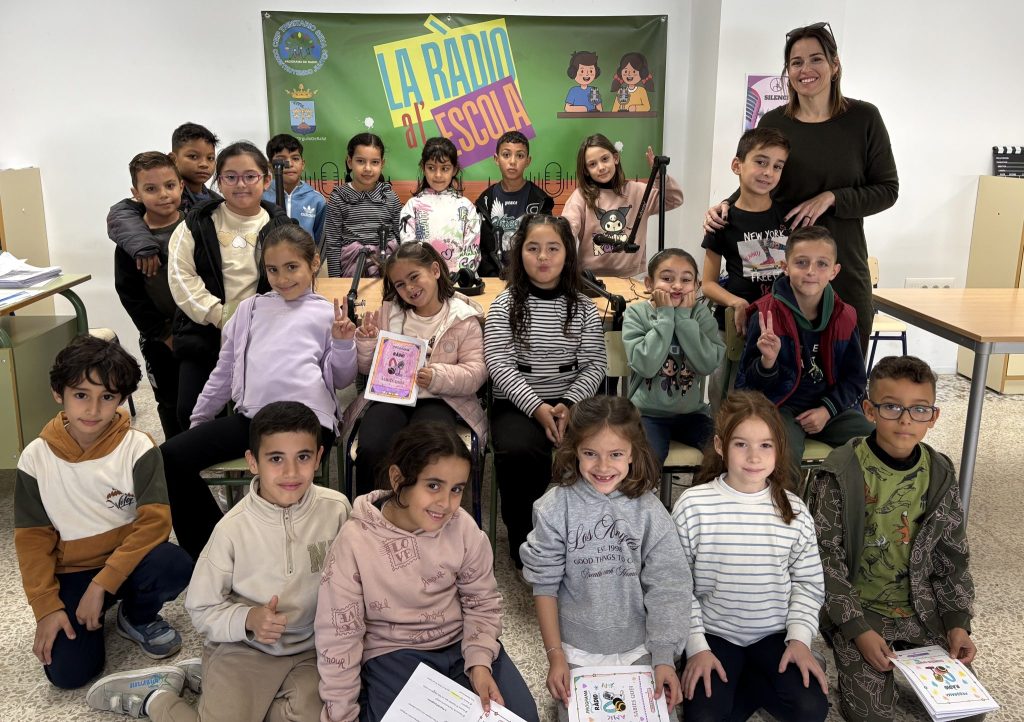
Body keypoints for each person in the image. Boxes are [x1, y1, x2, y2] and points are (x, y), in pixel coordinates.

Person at [86, 401, 353, 721]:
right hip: (244, 648)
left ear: (319, 457)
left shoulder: (338, 509)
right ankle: (156, 698)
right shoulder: (230, 531)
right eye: (276, 458)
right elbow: (201, 608)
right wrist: (248, 619)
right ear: (253, 462)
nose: (291, 472)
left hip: (309, 651)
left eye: (303, 457)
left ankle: (214, 681)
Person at [316, 423, 540, 722]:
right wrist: (342, 714)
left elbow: (482, 603)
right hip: (393, 652)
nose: (445, 504)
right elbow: (339, 634)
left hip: (460, 642)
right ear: (398, 479)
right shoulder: (354, 541)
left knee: (523, 717)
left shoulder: (463, 527)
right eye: (433, 485)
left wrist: (479, 663)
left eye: (456, 489)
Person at [161, 225, 357, 560]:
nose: (282, 278)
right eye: (273, 269)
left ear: (314, 263)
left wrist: (342, 343)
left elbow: (341, 379)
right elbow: (224, 372)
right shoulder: (248, 310)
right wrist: (200, 420)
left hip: (307, 420)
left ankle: (294, 554)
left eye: (292, 267)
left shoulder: (327, 312)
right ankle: (211, 551)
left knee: (281, 477)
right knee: (170, 456)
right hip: (255, 418)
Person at [807, 356, 981, 722]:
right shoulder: (839, 473)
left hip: (922, 611)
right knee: (872, 715)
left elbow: (953, 556)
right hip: (859, 611)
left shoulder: (940, 473)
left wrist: (957, 623)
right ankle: (850, 657)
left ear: (933, 416)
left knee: (967, 712)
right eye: (891, 407)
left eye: (919, 409)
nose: (905, 420)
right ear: (869, 410)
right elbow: (824, 561)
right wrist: (857, 629)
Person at [704, 22, 898, 351]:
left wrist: (833, 198)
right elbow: (760, 177)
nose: (805, 69)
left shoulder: (864, 118)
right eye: (796, 62)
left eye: (816, 59)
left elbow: (888, 189)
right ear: (788, 71)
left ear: (835, 65)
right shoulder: (774, 121)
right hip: (783, 267)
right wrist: (727, 204)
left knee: (844, 362)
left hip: (842, 263)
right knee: (780, 365)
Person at [14, 335, 193, 690]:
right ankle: (92, 609)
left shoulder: (138, 447)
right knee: (69, 675)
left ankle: (135, 616)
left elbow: (154, 524)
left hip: (129, 562)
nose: (93, 409)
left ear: (121, 399)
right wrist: (46, 607)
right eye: (81, 395)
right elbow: (32, 542)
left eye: (107, 397)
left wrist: (102, 584)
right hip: (72, 572)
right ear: (58, 393)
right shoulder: (35, 458)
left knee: (175, 564)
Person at [520, 396, 690, 721]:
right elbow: (544, 585)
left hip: (640, 647)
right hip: (576, 651)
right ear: (574, 450)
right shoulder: (553, 508)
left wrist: (664, 657)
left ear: (633, 453)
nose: (602, 466)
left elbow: (669, 585)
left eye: (615, 454)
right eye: (590, 453)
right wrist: (555, 656)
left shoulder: (650, 511)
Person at [672, 390, 828, 722]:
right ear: (720, 446)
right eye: (741, 444)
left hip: (774, 634)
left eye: (765, 445)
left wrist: (800, 640)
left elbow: (808, 584)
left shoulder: (794, 510)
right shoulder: (693, 505)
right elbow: (677, 587)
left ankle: (752, 682)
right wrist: (696, 647)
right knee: (704, 716)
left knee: (812, 708)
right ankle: (744, 683)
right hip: (714, 634)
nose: (754, 456)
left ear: (779, 448)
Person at [483, 214, 606, 571]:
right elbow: (499, 365)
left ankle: (591, 542)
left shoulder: (583, 306)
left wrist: (568, 404)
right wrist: (537, 408)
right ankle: (526, 547)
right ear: (518, 252)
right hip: (517, 405)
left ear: (567, 254)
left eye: (553, 248)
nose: (543, 257)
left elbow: (595, 364)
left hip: (572, 403)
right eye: (533, 248)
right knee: (519, 451)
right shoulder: (505, 305)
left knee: (603, 448)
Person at [342, 241, 487, 498]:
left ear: (435, 270)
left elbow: (476, 373)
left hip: (440, 400)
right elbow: (366, 369)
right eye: (399, 284)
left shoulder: (463, 318)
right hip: (390, 398)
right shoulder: (390, 313)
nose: (409, 288)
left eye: (414, 277)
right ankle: (374, 511)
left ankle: (421, 510)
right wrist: (367, 342)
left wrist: (437, 376)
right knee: (373, 446)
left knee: (428, 451)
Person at [167, 140, 295, 429]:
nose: (241, 185)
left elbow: (292, 281)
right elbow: (181, 278)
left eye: (250, 176)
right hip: (206, 333)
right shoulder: (196, 223)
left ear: (265, 180)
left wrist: (258, 320)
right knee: (190, 410)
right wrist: (221, 315)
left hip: (264, 333)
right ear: (219, 181)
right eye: (231, 177)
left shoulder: (282, 226)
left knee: (263, 413)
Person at [737, 226, 873, 472]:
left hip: (830, 408)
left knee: (876, 445)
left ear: (834, 271)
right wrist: (768, 362)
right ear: (785, 266)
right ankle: (786, 499)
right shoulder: (765, 314)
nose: (811, 271)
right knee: (781, 454)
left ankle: (840, 497)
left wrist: (827, 410)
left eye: (822, 264)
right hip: (779, 407)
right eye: (801, 262)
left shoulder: (845, 316)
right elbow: (749, 386)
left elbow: (855, 379)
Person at [702, 127, 792, 410]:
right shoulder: (721, 220)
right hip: (732, 327)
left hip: (780, 326)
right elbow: (707, 283)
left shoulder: (789, 216)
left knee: (770, 400)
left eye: (777, 166)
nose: (768, 172)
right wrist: (736, 302)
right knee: (726, 401)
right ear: (737, 165)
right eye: (761, 162)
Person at [623, 249, 723, 465]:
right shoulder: (636, 314)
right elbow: (645, 366)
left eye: (686, 280)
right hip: (646, 414)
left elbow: (707, 364)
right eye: (667, 279)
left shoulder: (700, 314)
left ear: (696, 285)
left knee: (723, 452)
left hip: (692, 415)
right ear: (649, 283)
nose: (677, 286)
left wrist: (684, 320)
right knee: (648, 459)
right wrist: (666, 315)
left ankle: (700, 489)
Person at [113, 151, 186, 440]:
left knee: (207, 397)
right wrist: (163, 334)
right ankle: (175, 455)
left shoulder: (196, 226)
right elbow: (130, 294)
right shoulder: (131, 243)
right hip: (160, 340)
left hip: (201, 331)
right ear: (136, 193)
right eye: (151, 188)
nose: (163, 194)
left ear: (181, 185)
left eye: (170, 185)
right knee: (169, 401)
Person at [107, 123, 221, 277]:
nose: (203, 164)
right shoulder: (162, 201)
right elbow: (120, 215)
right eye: (193, 157)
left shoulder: (217, 202)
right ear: (173, 159)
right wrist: (144, 247)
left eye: (210, 158)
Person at [561, 133, 683, 277]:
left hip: (632, 276)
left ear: (615, 158)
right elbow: (567, 229)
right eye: (592, 164)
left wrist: (658, 175)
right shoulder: (581, 196)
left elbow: (674, 199)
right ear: (586, 171)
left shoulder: (637, 191)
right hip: (591, 278)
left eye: (605, 159)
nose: (601, 167)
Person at [475, 130, 554, 276]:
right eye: (506, 155)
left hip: (530, 277)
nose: (512, 161)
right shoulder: (485, 200)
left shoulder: (540, 200)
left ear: (528, 161)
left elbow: (546, 244)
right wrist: (492, 277)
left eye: (520, 155)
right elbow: (482, 248)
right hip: (493, 279)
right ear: (496, 159)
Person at [322, 133, 401, 277]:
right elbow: (333, 243)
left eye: (374, 162)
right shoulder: (338, 197)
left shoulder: (390, 197)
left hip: (388, 269)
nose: (368, 168)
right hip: (352, 271)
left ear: (382, 164)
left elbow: (401, 238)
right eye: (360, 161)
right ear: (349, 162)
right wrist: (335, 281)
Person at [399, 136, 482, 273]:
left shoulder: (466, 207)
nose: (438, 175)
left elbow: (472, 249)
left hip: (459, 281)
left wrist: (460, 277)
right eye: (431, 168)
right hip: (423, 279)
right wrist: (425, 276)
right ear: (423, 167)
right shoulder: (412, 207)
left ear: (454, 170)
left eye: (445, 168)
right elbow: (409, 249)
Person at [263, 133, 327, 243]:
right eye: (281, 159)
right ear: (270, 166)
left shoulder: (316, 200)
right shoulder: (262, 197)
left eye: (295, 158)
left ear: (303, 164)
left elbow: (319, 239)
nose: (289, 164)